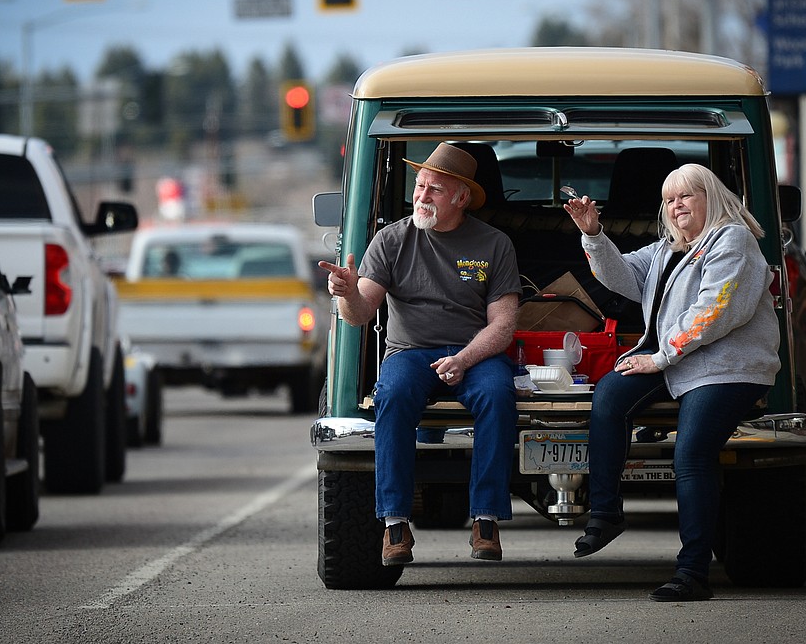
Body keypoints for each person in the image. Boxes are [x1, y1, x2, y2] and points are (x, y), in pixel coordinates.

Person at [562, 162, 780, 602]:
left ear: (710, 198)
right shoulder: (667, 249)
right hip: (678, 363)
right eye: (668, 199)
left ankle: (693, 572)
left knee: (692, 453)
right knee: (608, 395)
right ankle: (605, 513)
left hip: (725, 367)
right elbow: (619, 277)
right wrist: (593, 234)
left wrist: (659, 357)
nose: (676, 205)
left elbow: (715, 312)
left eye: (685, 196)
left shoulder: (732, 240)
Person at [318, 143, 522, 566]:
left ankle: (485, 519)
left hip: (475, 354)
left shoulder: (494, 243)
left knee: (498, 394)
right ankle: (394, 524)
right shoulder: (390, 239)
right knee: (390, 396)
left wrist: (464, 360)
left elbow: (503, 325)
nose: (422, 196)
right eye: (420, 185)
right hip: (410, 352)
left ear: (462, 198)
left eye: (435, 189)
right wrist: (346, 292)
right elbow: (360, 314)